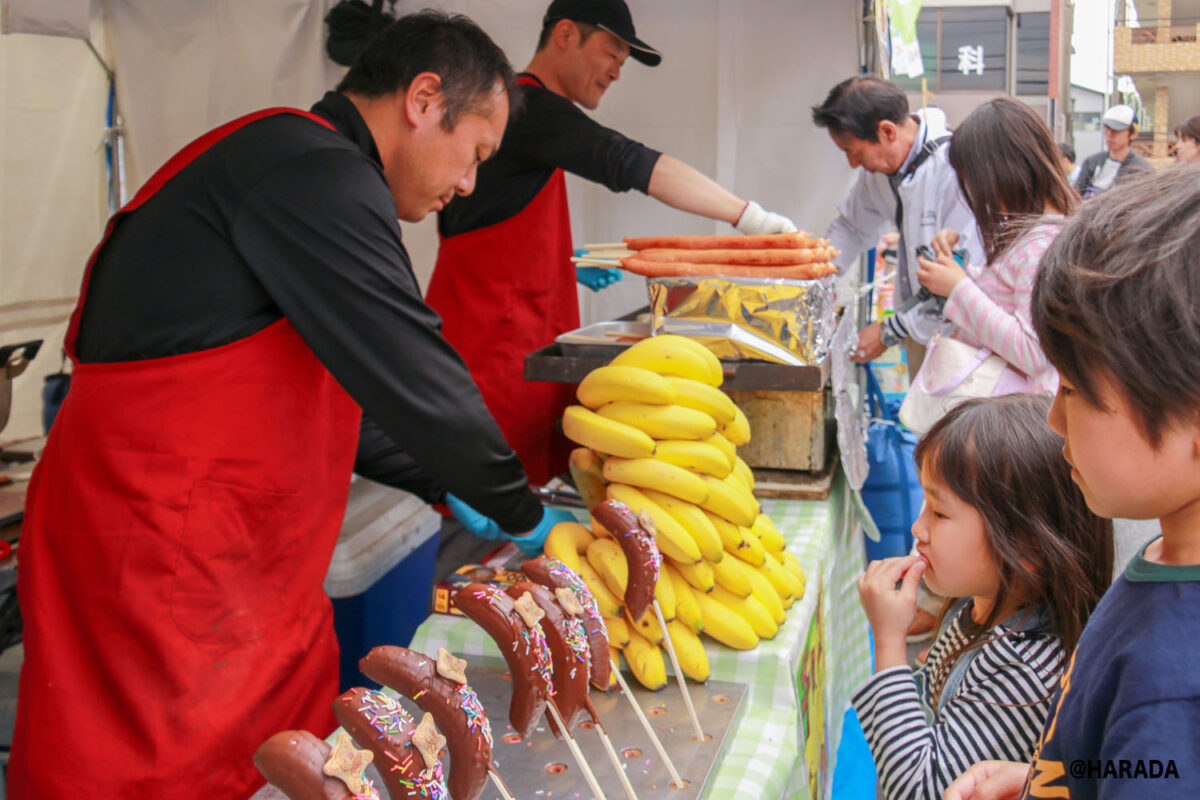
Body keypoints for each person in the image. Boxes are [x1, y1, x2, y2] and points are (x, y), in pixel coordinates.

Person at [10, 12, 575, 797]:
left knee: (275, 755)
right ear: (422, 99)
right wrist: (519, 510)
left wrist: (446, 487)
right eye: (475, 152)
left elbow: (349, 405)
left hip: (243, 567)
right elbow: (413, 368)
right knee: (155, 766)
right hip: (156, 548)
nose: (470, 184)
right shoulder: (311, 169)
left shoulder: (308, 173)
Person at [425, 0, 797, 486]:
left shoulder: (526, 116)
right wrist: (752, 218)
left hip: (517, 341)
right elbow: (627, 162)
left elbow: (487, 220)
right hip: (492, 358)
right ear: (564, 34)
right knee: (491, 517)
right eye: (611, 52)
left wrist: (562, 267)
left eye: (624, 61)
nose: (617, 71)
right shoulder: (526, 107)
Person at [945, 165, 1200, 800]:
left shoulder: (1172, 691)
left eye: (1076, 391)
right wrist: (1046, 779)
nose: (1056, 418)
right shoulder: (1166, 556)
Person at [856, 394, 1112, 800]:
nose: (918, 529)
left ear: (1025, 548)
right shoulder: (977, 604)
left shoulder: (1023, 671)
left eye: (939, 514)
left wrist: (888, 641)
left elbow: (918, 792)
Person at [812, 75, 983, 374]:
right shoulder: (877, 176)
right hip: (919, 330)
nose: (853, 163)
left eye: (853, 151)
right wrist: (816, 273)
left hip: (963, 337)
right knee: (922, 419)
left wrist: (890, 330)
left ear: (887, 131)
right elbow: (851, 227)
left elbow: (960, 274)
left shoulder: (954, 169)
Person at [915, 97, 1077, 395]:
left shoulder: (1042, 243)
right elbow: (1004, 296)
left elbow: (1035, 351)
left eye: (974, 182)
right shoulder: (1035, 235)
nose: (976, 197)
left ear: (1002, 172)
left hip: (1017, 421)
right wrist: (959, 269)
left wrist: (958, 288)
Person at [1074, 103, 1152, 199]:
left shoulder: (1142, 170)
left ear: (1133, 134)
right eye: (1107, 129)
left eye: (1116, 130)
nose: (1109, 135)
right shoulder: (1092, 162)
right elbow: (1076, 193)